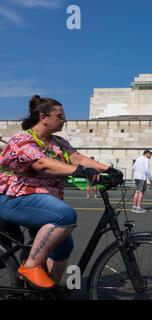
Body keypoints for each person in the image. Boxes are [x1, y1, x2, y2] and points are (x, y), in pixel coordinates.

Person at [0, 95, 123, 290]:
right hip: (14, 198)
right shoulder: (22, 140)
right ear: (43, 117)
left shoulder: (58, 142)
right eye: (60, 116)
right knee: (65, 215)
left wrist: (108, 169)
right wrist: (78, 171)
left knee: (64, 245)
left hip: (41, 200)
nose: (64, 121)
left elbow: (77, 158)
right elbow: (41, 163)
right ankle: (30, 266)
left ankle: (49, 291)